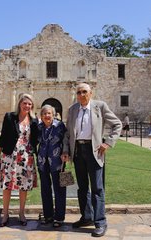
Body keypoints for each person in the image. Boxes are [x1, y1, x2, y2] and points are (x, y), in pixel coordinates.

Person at [61, 83, 122, 237]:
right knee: (82, 188)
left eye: (84, 92)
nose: (81, 95)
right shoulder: (72, 109)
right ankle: (86, 217)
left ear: (91, 93)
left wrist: (108, 142)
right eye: (79, 92)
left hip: (94, 151)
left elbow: (117, 124)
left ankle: (100, 222)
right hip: (78, 152)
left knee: (97, 189)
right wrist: (66, 150)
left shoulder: (99, 107)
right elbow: (68, 133)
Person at [0, 93, 38, 227]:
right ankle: (5, 213)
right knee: (7, 185)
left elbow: (37, 139)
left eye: (29, 104)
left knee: (23, 186)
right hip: (9, 155)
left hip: (26, 157)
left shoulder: (34, 121)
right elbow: (3, 136)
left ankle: (21, 213)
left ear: (32, 106)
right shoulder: (9, 117)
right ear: (19, 104)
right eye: (25, 103)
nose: (27, 106)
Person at [37, 105, 67, 228]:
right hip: (42, 161)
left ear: (53, 114)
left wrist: (66, 152)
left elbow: (66, 139)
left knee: (59, 189)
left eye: (49, 113)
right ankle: (48, 215)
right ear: (41, 116)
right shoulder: (39, 127)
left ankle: (59, 217)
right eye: (44, 113)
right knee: (45, 189)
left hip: (57, 161)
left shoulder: (59, 126)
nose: (47, 116)